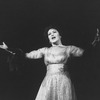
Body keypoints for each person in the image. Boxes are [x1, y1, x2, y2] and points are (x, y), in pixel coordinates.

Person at [0, 27, 99, 100]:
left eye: (54, 32)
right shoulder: (45, 50)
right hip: (48, 82)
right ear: (48, 38)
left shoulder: (69, 48)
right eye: (49, 34)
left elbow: (84, 52)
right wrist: (9, 49)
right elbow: (26, 55)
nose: (51, 34)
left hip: (64, 82)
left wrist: (96, 41)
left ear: (60, 35)